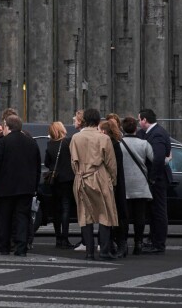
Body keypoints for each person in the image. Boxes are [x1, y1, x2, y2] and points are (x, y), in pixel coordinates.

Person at [0, 115, 41, 257]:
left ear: (7, 126)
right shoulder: (31, 143)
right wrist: (35, 186)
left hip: (5, 187)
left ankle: (4, 246)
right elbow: (37, 167)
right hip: (26, 188)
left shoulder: (3, 142)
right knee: (22, 218)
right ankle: (21, 248)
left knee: (4, 218)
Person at [70, 108, 119, 260]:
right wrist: (112, 180)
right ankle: (104, 251)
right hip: (99, 176)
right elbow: (111, 163)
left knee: (85, 215)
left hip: (81, 176)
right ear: (98, 121)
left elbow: (73, 162)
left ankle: (89, 252)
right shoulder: (103, 138)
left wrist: (79, 173)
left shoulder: (75, 138)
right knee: (105, 213)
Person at [137, 108, 172, 255]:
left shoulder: (157, 134)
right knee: (153, 212)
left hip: (157, 179)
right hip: (156, 178)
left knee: (158, 212)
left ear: (145, 120)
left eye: (139, 120)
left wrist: (151, 177)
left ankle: (158, 243)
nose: (139, 123)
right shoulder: (152, 132)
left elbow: (158, 158)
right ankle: (153, 240)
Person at [120, 116, 153, 255]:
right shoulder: (144, 144)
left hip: (124, 185)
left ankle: (123, 244)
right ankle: (138, 243)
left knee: (124, 217)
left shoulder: (118, 144)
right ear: (136, 129)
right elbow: (154, 160)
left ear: (123, 129)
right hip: (140, 184)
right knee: (140, 216)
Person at [45, 121, 76, 249]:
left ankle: (58, 237)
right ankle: (65, 237)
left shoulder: (50, 144)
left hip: (54, 179)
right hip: (67, 179)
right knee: (66, 207)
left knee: (56, 209)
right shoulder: (67, 142)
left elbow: (47, 163)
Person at [100, 117, 128, 257]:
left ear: (105, 131)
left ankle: (119, 245)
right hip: (116, 183)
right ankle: (117, 245)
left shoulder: (111, 145)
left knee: (115, 215)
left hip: (113, 184)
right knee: (115, 215)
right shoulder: (115, 143)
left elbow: (111, 166)